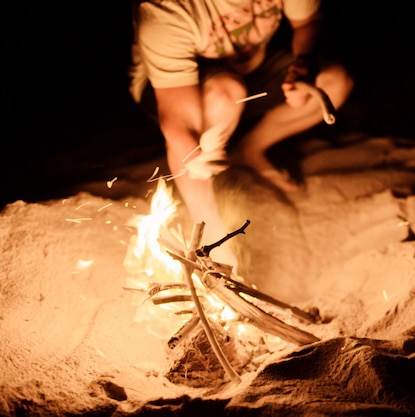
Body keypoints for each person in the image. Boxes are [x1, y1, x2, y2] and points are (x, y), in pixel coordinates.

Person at [128, 0, 354, 265]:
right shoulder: (166, 9)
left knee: (334, 81)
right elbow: (179, 119)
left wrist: (304, 62)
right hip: (172, 88)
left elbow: (307, 22)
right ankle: (209, 235)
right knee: (225, 92)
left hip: (247, 74)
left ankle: (250, 149)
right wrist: (194, 156)